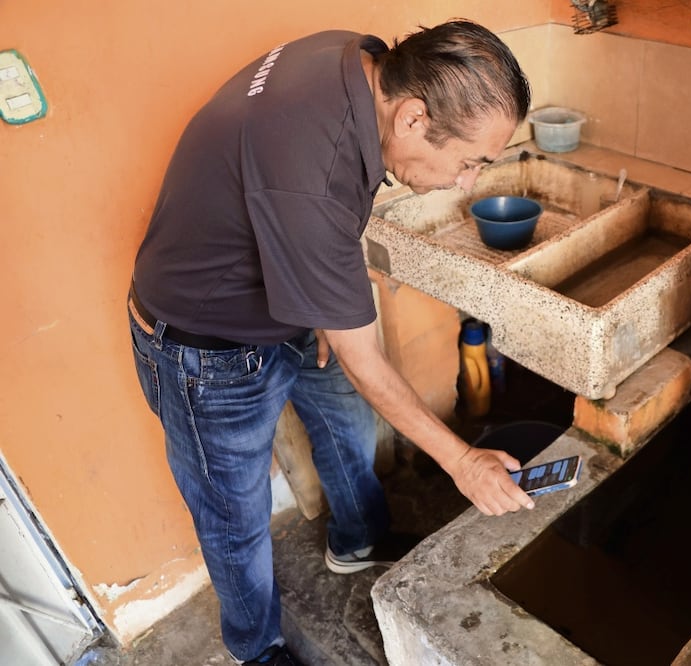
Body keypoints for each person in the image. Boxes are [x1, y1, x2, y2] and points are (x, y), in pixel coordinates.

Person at [127, 20, 534, 666]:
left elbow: (316, 203)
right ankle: (256, 649)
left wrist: (318, 297)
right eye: (468, 161)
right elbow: (363, 351)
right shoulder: (310, 169)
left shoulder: (360, 59)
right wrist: (463, 462)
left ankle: (356, 540)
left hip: (281, 295)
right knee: (235, 517)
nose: (466, 182)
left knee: (345, 417)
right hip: (206, 346)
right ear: (412, 119)